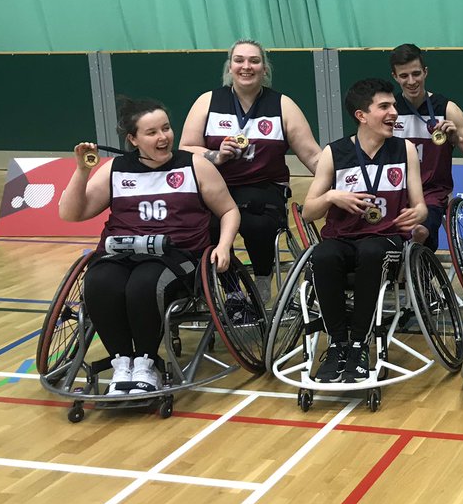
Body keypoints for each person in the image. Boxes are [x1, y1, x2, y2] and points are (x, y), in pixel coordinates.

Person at [59, 98, 240, 395]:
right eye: (152, 132)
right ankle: (122, 364)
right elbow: (70, 214)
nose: (163, 137)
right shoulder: (116, 169)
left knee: (144, 285)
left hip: (177, 257)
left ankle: (146, 363)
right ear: (133, 139)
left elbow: (229, 211)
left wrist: (224, 245)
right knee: (98, 282)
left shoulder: (194, 165)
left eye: (166, 128)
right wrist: (81, 170)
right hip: (121, 253)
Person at [302, 78, 427, 384]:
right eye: (384, 106)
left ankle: (359, 344)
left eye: (393, 105)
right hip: (342, 238)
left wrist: (417, 214)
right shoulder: (335, 153)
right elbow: (308, 211)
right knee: (323, 255)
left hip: (383, 238)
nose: (394, 112)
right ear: (361, 115)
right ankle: (337, 344)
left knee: (373, 251)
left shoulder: (404, 149)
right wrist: (332, 196)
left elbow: (420, 204)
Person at [181, 39, 322, 301]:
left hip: (264, 188)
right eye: (239, 60)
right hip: (217, 187)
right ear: (230, 67)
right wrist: (216, 155)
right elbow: (186, 148)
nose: (246, 66)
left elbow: (313, 155)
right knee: (208, 226)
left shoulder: (283, 105)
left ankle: (262, 279)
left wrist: (339, 182)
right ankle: (233, 291)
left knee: (256, 224)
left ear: (265, 69)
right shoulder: (207, 102)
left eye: (254, 61)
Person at [388, 43, 463, 250]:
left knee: (422, 231)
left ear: (425, 72)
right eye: (404, 76)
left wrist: (457, 139)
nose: (411, 81)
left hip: (431, 193)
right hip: (395, 191)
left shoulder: (447, 109)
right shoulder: (389, 112)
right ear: (395, 77)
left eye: (416, 74)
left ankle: (419, 274)